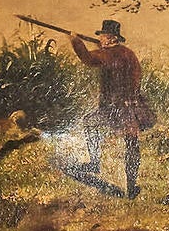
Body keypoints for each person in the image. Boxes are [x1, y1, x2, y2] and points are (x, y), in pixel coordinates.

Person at [57, 19, 153, 197]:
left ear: (110, 38)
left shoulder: (109, 55)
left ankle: (94, 162)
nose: (100, 38)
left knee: (90, 123)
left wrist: (76, 41)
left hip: (114, 108)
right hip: (130, 106)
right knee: (131, 143)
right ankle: (131, 187)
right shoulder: (128, 54)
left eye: (102, 35)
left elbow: (88, 58)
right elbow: (137, 76)